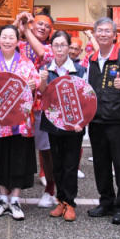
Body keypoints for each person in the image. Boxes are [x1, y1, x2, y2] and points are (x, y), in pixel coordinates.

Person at [0, 25, 39, 220]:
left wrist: (33, 85)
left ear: (17, 41)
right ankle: (2, 197)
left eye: (11, 37)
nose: (7, 40)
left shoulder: (26, 63)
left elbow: (36, 83)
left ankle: (15, 199)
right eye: (4, 37)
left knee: (18, 159)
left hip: (20, 122)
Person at [85, 17, 120, 225]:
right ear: (95, 34)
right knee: (100, 164)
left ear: (114, 35)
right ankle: (105, 201)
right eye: (100, 31)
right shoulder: (91, 59)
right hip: (96, 120)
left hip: (118, 120)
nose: (104, 34)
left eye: (108, 31)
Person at [39, 31, 86, 222]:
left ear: (69, 47)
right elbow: (43, 94)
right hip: (53, 122)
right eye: (56, 45)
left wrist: (80, 122)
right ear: (51, 48)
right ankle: (61, 201)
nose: (59, 48)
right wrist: (42, 80)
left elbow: (86, 97)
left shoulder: (80, 69)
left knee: (70, 164)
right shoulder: (46, 69)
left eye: (63, 45)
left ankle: (70, 203)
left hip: (74, 124)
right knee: (56, 164)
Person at [16, 11, 57, 208]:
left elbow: (41, 54)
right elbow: (4, 42)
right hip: (19, 105)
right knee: (14, 147)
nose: (42, 27)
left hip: (42, 106)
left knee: (46, 150)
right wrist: (18, 24)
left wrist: (27, 27)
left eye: (46, 26)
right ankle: (10, 192)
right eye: (38, 23)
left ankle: (50, 190)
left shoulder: (51, 48)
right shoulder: (20, 45)